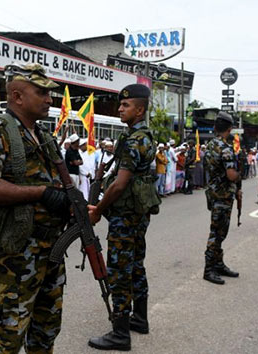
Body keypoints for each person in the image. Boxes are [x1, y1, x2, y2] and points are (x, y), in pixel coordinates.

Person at [0, 63, 67, 353]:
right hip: (16, 252)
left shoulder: (44, 136)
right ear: (17, 96)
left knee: (45, 330)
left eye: (50, 94)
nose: (49, 99)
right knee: (5, 334)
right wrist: (41, 194)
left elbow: (57, 186)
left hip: (50, 250)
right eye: (41, 93)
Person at [88, 84, 159, 351]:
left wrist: (98, 210)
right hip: (137, 214)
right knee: (136, 265)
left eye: (125, 105)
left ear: (139, 110)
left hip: (125, 216)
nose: (120, 108)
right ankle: (139, 318)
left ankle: (120, 333)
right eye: (120, 104)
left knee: (119, 270)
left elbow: (120, 184)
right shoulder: (143, 136)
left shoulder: (133, 140)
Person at [203, 111, 241, 285]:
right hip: (223, 196)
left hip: (213, 193)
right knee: (217, 233)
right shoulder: (225, 148)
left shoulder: (211, 145)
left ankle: (218, 264)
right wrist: (240, 176)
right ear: (230, 128)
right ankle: (209, 269)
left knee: (219, 231)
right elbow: (232, 175)